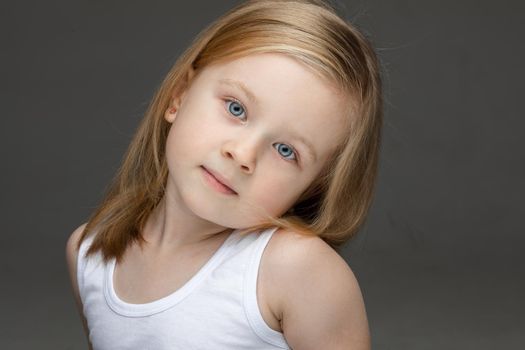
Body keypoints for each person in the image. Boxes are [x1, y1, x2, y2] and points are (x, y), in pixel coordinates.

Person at [65, 0, 383, 348]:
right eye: (236, 108)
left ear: (312, 188)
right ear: (179, 96)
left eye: (286, 150)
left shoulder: (296, 270)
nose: (243, 154)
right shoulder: (89, 253)